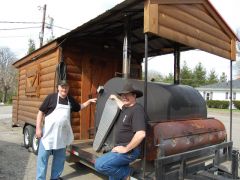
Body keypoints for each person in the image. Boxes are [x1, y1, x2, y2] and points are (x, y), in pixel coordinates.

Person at [36, 80, 97, 180]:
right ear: (58, 88)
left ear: (68, 89)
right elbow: (40, 112)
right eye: (62, 87)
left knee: (59, 159)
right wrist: (38, 128)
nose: (64, 89)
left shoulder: (70, 99)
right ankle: (40, 178)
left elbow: (79, 107)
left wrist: (89, 102)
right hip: (48, 134)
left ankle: (55, 178)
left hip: (62, 135)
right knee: (43, 158)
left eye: (66, 87)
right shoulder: (51, 98)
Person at [95, 83, 146, 180]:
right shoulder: (127, 108)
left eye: (127, 94)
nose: (124, 97)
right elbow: (121, 103)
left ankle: (127, 172)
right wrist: (115, 97)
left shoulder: (137, 110)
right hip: (120, 147)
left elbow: (141, 134)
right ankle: (124, 172)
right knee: (113, 176)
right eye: (122, 95)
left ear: (134, 95)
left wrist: (126, 149)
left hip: (130, 151)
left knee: (99, 164)